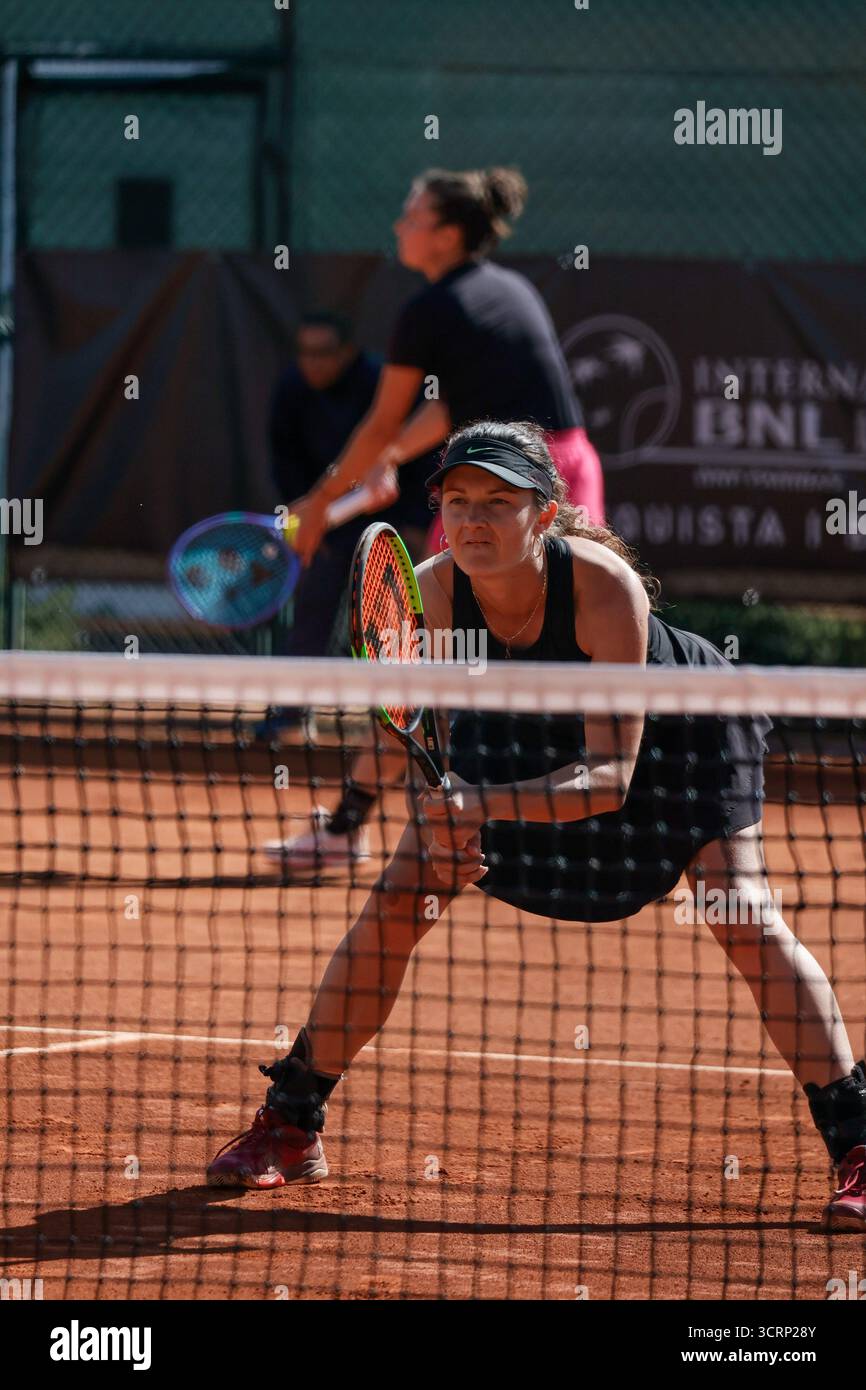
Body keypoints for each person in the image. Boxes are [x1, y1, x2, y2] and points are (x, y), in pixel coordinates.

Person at [211, 418, 866, 1232]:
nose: (474, 520)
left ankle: (857, 1139)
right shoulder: (431, 594)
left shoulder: (602, 588)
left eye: (499, 501)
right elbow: (405, 734)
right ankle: (291, 1122)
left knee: (743, 915)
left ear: (545, 514)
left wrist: (480, 805)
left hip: (682, 734)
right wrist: (431, 818)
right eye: (457, 501)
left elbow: (610, 777)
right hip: (521, 738)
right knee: (397, 899)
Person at [267, 166, 605, 864]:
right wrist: (392, 456)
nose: (399, 225)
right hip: (561, 471)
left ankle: (356, 828)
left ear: (446, 234)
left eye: (412, 215)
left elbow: (379, 422)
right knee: (562, 642)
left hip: (503, 487)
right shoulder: (506, 291)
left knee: (425, 659)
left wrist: (319, 504)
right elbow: (452, 409)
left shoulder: (430, 310)